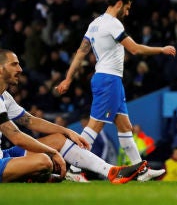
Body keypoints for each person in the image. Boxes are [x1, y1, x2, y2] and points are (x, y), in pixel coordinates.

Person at [56, 0, 176, 182]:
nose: (127, 13)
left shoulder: (95, 24)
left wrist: (68, 78)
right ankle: (74, 168)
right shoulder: (113, 24)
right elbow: (135, 50)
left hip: (109, 80)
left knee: (125, 126)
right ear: (119, 4)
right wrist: (161, 50)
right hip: (108, 80)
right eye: (127, 8)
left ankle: (140, 170)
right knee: (95, 126)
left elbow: (80, 52)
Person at [0, 49, 146, 183]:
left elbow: (30, 121)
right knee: (44, 161)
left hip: (3, 155)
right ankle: (35, 176)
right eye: (14, 65)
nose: (20, 69)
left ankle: (112, 172)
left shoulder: (5, 97)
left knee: (58, 139)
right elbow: (16, 137)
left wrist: (67, 131)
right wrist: (52, 152)